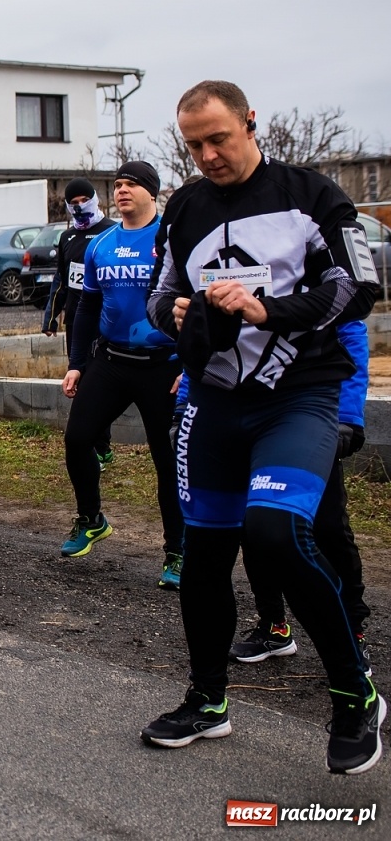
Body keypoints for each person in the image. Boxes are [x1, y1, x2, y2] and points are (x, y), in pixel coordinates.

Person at [139, 80, 382, 774]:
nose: (208, 155)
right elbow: (159, 295)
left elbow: (358, 289)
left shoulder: (311, 194)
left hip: (297, 397)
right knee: (205, 555)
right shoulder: (184, 207)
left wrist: (264, 308)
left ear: (251, 123)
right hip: (215, 401)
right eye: (194, 145)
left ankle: (354, 693)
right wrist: (175, 315)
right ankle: (207, 700)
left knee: (276, 533)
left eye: (219, 138)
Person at [57, 162, 184, 588]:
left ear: (152, 192)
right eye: (117, 185)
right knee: (78, 438)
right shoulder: (101, 244)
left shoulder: (172, 240)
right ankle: (91, 519)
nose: (122, 190)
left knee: (168, 460)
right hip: (111, 360)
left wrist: (190, 365)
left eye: (132, 184)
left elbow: (193, 304)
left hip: (163, 364)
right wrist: (77, 362)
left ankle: (177, 551)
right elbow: (87, 307)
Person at [220, 316, 372, 669]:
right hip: (245, 413)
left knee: (328, 528)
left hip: (308, 414)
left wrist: (348, 417)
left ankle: (352, 631)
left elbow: (350, 334)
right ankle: (274, 626)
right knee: (254, 526)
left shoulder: (317, 281)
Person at [43, 178, 117, 466]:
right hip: (76, 322)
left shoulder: (111, 231)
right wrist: (51, 317)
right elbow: (61, 280)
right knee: (79, 381)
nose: (79, 206)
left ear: (95, 199)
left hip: (105, 322)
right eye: (73, 203)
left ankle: (102, 446)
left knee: (100, 385)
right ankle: (91, 444)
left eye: (84, 200)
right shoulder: (67, 237)